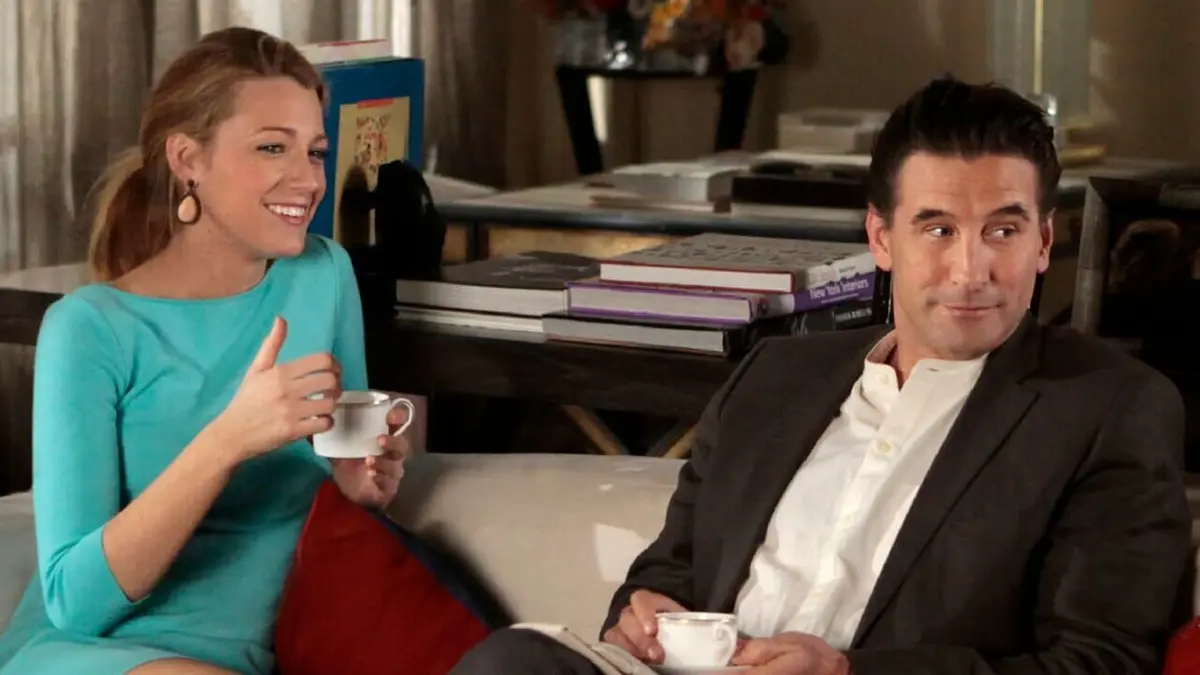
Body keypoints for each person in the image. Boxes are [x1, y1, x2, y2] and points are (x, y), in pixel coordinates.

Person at [451, 77, 1193, 675]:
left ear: (1044, 241)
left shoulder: (1108, 409)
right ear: (881, 238)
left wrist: (847, 671)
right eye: (937, 229)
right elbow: (671, 571)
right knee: (513, 660)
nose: (971, 269)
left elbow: (1098, 661)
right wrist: (642, 613)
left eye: (1003, 229)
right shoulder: (776, 375)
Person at [0, 27, 415, 675]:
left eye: (315, 151)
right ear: (187, 159)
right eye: (272, 147)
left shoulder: (323, 274)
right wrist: (226, 442)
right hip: (108, 653)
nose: (307, 179)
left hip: (265, 647)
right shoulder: (88, 329)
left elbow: (345, 463)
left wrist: (358, 486)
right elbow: (75, 604)